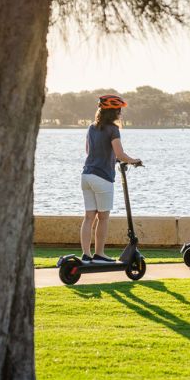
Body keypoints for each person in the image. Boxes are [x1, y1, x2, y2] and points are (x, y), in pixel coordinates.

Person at [80, 94, 141, 263]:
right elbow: (120, 153)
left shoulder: (91, 127)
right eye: (118, 110)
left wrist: (108, 156)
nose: (120, 113)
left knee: (88, 217)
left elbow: (88, 151)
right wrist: (134, 160)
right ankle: (99, 254)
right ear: (113, 112)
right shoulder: (113, 129)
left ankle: (86, 255)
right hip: (102, 177)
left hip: (86, 175)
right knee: (103, 217)